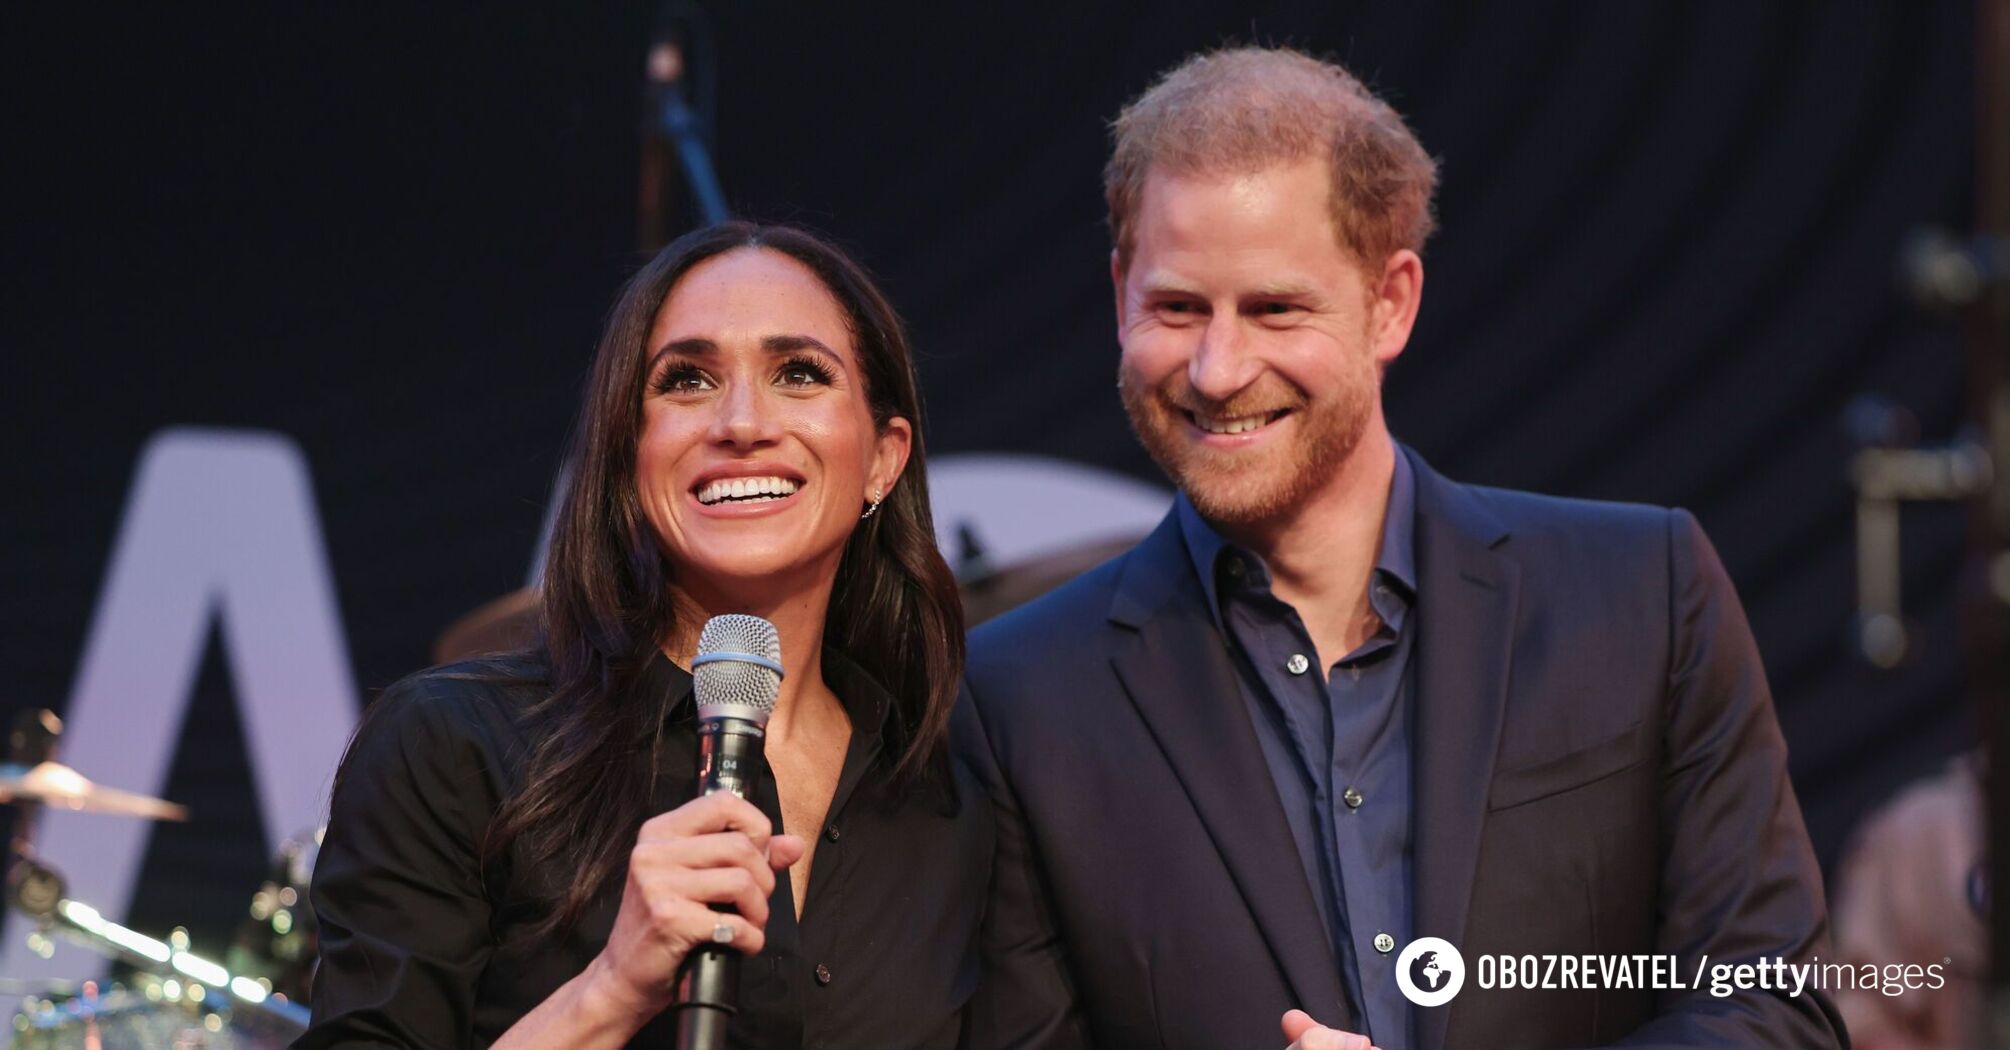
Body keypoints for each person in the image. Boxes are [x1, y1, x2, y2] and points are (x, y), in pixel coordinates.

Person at [956, 47, 1847, 1049]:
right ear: (1119, 291)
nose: (1217, 367)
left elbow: (1777, 1018)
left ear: (1392, 302)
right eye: (1176, 308)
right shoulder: (1018, 698)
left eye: (1275, 309)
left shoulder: (1642, 597)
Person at [301, 222, 988, 1048]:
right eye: (687, 380)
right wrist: (612, 988)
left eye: (799, 374)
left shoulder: (952, 792)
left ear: (884, 457)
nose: (741, 423)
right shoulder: (453, 748)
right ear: (631, 451)